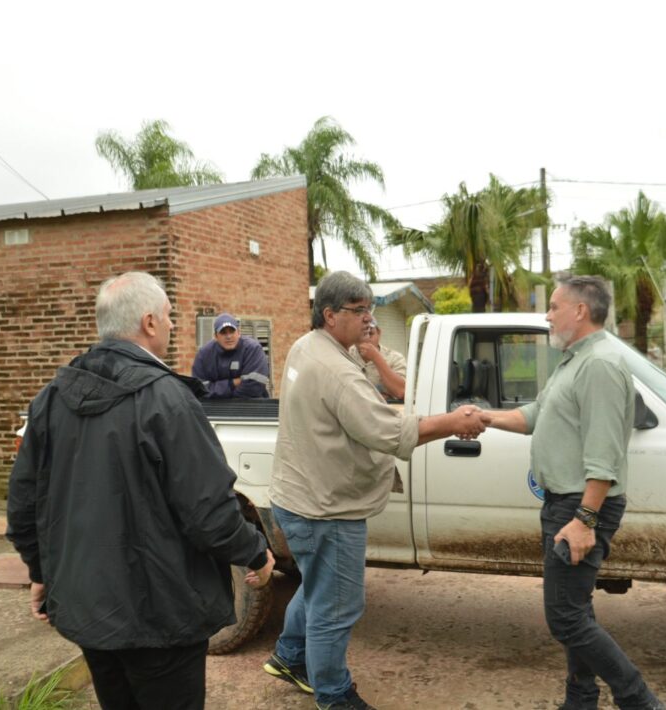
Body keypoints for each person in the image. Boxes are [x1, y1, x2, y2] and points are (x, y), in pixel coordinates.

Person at [6, 272, 275, 710]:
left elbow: (22, 505)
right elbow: (208, 510)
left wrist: (41, 571)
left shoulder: (50, 399)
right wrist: (256, 552)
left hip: (89, 610)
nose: (172, 326)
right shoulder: (167, 399)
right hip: (163, 617)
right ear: (149, 322)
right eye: (169, 317)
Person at [263, 271, 486, 710]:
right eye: (358, 311)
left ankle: (291, 657)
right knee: (337, 606)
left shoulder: (306, 347)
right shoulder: (338, 373)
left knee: (317, 587)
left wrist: (371, 356)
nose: (369, 319)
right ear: (329, 315)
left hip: (298, 496)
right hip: (328, 509)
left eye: (370, 309)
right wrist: (454, 423)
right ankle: (334, 694)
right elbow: (388, 431)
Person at [480, 275, 665, 710]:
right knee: (576, 610)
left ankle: (639, 701)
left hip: (579, 507)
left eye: (554, 306)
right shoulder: (576, 359)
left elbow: (604, 453)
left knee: (564, 618)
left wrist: (584, 520)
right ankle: (581, 699)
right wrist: (483, 417)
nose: (547, 315)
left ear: (580, 311)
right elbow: (535, 415)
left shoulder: (599, 363)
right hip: (565, 504)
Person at [191, 312, 271, 398]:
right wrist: (232, 383)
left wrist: (221, 394)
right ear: (216, 336)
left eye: (232, 331)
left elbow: (254, 387)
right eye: (223, 332)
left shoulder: (252, 349)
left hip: (253, 408)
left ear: (239, 333)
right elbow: (200, 390)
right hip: (215, 410)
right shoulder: (204, 355)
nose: (228, 336)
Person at [352, 319, 407, 401]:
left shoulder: (395, 358)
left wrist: (376, 357)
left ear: (379, 333)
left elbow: (401, 392)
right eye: (361, 334)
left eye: (370, 334)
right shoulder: (345, 354)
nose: (366, 339)